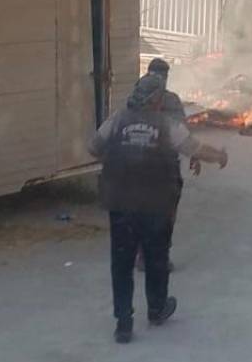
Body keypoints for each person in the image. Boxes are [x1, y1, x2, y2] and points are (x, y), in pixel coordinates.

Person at [89, 73, 228, 344]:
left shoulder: (117, 119)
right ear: (155, 100)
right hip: (156, 204)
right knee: (156, 258)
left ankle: (123, 324)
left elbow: (92, 147)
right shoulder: (166, 125)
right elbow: (194, 149)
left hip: (120, 202)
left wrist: (120, 156)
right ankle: (156, 309)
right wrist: (220, 155)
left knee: (122, 262)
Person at [136, 58, 190, 273]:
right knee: (165, 214)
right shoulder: (171, 100)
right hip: (164, 167)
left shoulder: (135, 98)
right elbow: (182, 133)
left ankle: (143, 256)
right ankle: (157, 257)